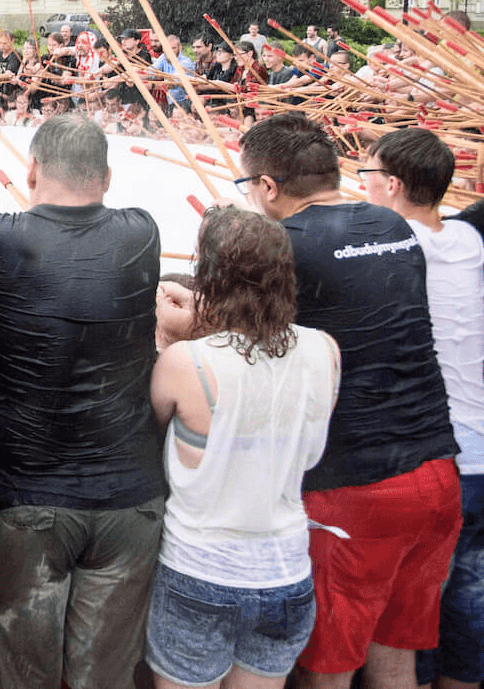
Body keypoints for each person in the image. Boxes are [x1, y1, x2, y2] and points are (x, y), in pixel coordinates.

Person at [237, 113, 460, 689]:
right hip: (436, 470)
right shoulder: (392, 226)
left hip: (355, 485)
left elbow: (240, 348)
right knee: (395, 657)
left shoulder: (283, 244)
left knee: (328, 666)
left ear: (267, 185)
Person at [0, 113, 164, 689]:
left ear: (31, 171)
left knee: (20, 675)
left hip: (27, 499)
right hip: (129, 498)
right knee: (104, 678)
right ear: (104, 177)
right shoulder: (140, 233)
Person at [146, 207, 340, 689]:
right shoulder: (325, 350)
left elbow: (148, 429)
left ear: (208, 277)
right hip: (286, 571)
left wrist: (170, 334)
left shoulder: (185, 362)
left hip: (200, 570)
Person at [360, 128, 484, 689]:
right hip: (479, 448)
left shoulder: (397, 245)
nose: (359, 185)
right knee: (471, 583)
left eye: (367, 174)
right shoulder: (468, 240)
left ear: (392, 184)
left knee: (417, 597)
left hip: (437, 453)